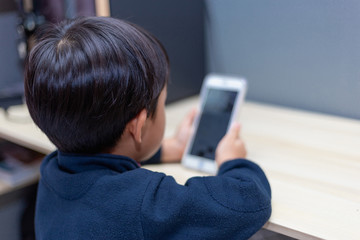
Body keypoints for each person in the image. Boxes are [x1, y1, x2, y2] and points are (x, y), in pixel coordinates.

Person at [24, 16, 271, 240]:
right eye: (163, 102)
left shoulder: (51, 172)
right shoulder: (146, 204)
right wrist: (232, 160)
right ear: (138, 126)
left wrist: (170, 149)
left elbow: (98, 159)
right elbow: (249, 201)